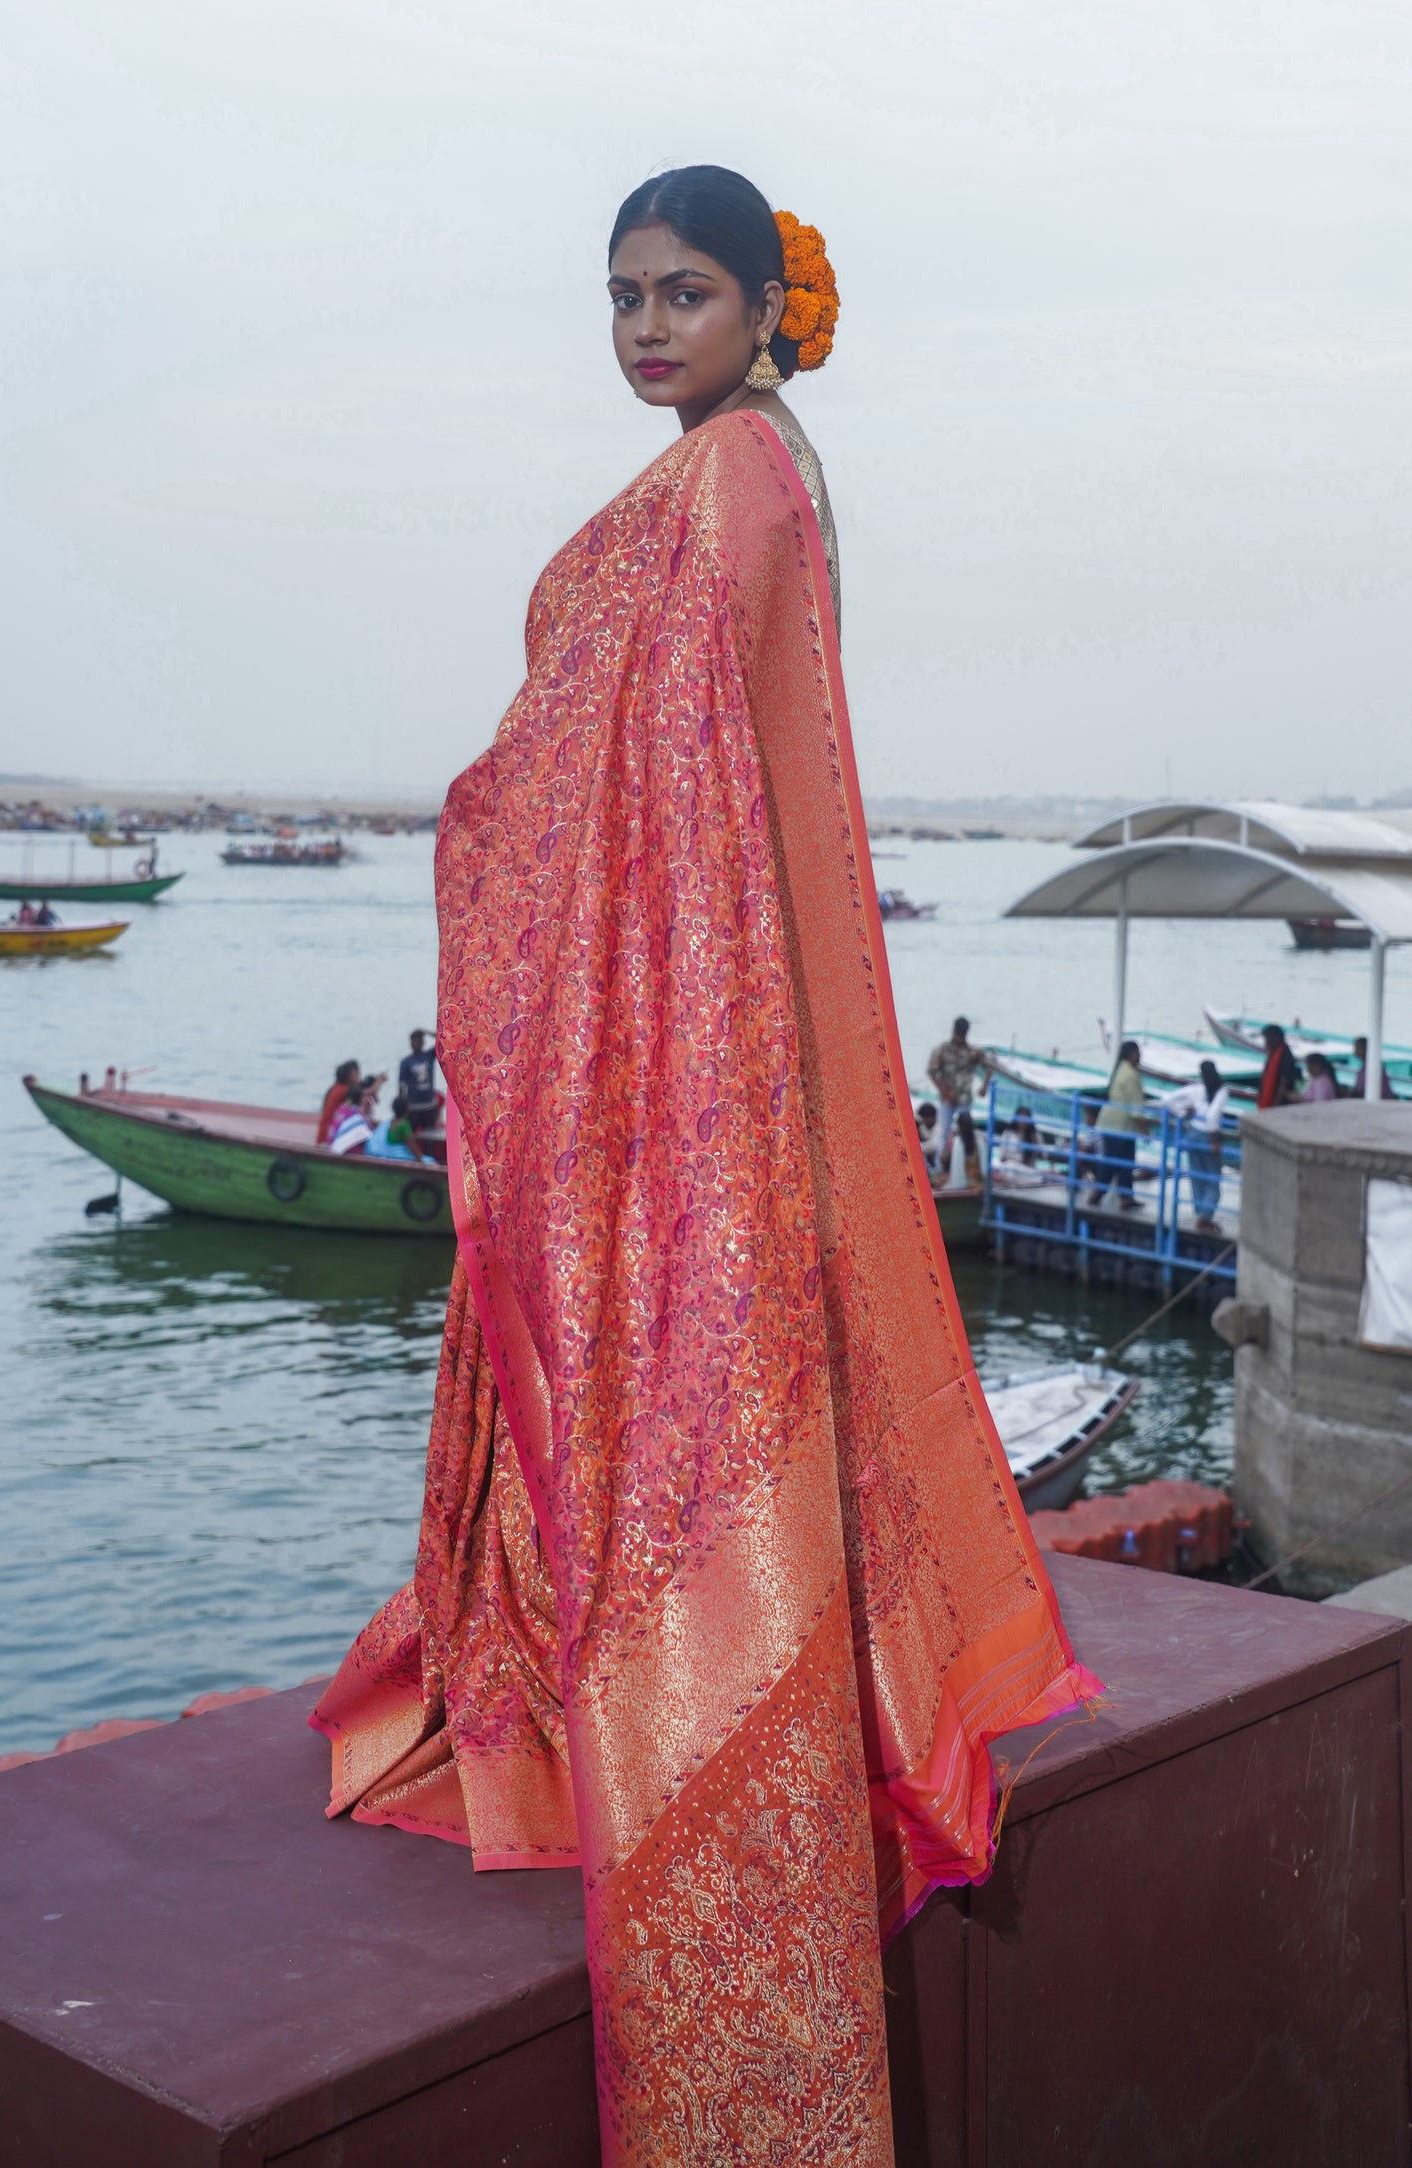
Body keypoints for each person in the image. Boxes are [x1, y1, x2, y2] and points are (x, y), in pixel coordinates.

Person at [309, 167, 1096, 2161]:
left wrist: (490, 818)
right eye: (619, 298)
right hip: (710, 1014)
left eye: (681, 292)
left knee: (668, 1409)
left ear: (762, 305)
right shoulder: (760, 473)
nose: (644, 328)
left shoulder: (731, 479)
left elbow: (644, 767)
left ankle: (719, 1873)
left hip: (693, 1030)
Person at [1162, 1058, 1231, 1230]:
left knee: (1197, 1176)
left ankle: (1201, 1212)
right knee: (1213, 1178)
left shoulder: (1195, 1089)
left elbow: (1167, 1100)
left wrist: (1182, 1113)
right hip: (1208, 1136)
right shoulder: (1222, 1091)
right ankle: (1205, 1217)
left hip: (1192, 1134)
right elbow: (1213, 1116)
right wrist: (1214, 1140)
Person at [1092, 1039, 1147, 1210]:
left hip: (1112, 1123)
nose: (1140, 1056)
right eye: (1137, 1053)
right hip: (1120, 1126)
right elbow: (1136, 1108)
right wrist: (1145, 1130)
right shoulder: (1130, 1075)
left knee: (1122, 1161)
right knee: (1117, 1161)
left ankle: (1125, 1196)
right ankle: (1099, 1193)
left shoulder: (1120, 1069)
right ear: (1131, 1054)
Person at [926, 1015, 989, 1163]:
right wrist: (944, 1091)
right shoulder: (942, 1050)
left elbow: (989, 1068)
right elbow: (932, 1071)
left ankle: (965, 1165)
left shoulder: (973, 1052)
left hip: (964, 1099)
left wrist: (984, 1086)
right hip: (948, 1098)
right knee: (943, 1132)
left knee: (965, 1133)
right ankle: (939, 1166)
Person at [397, 1029, 443, 1130]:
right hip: (413, 1107)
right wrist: (401, 1110)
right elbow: (401, 1086)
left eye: (418, 1041)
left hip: (429, 1106)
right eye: (413, 1041)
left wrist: (425, 1032)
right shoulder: (406, 1062)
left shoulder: (429, 1056)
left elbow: (442, 1039)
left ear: (422, 1042)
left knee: (431, 1137)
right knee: (412, 1135)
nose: (416, 1044)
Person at [364, 1092, 426, 1162]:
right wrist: (421, 1161)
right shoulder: (404, 1125)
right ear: (407, 1110)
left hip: (384, 1155)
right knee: (430, 1160)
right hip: (394, 1157)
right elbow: (413, 1149)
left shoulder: (387, 1122)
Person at [1257, 1024, 1301, 1109]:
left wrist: (1275, 1106)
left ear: (1276, 1038)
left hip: (1279, 1103)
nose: (1266, 1042)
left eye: (1267, 1039)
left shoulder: (1286, 1056)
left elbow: (1284, 1082)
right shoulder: (1272, 1053)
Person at [325, 1082, 374, 1155]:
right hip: (349, 1153)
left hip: (331, 1145)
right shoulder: (358, 1116)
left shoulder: (340, 1108)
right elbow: (368, 1135)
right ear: (361, 1099)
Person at [317, 1060, 359, 1144]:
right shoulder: (346, 1090)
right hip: (328, 1138)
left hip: (324, 1134)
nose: (358, 1077)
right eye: (356, 1074)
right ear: (348, 1076)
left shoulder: (334, 1088)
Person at [1351, 1037, 1398, 1101]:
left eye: (1358, 1047)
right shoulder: (1365, 1067)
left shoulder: (1374, 1069)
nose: (1355, 1050)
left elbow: (1361, 1092)